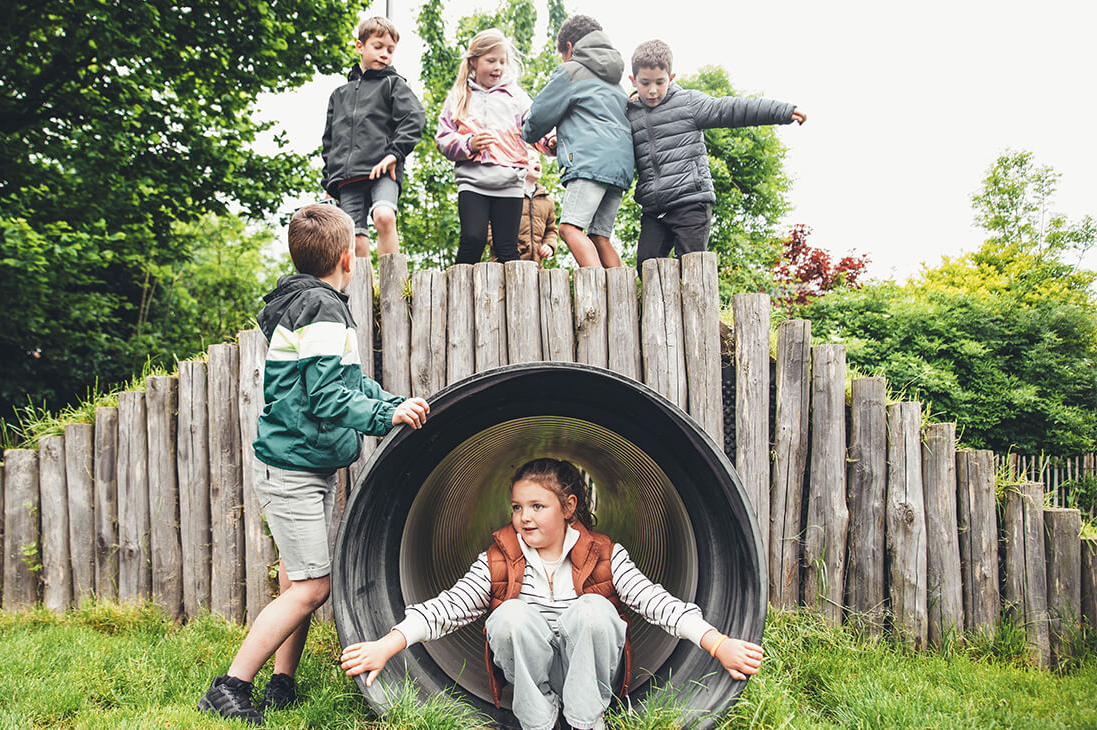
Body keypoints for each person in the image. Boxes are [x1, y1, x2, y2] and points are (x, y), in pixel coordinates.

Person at [198, 204, 430, 725]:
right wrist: (382, 414)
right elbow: (328, 398)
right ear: (349, 258)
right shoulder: (322, 310)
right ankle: (230, 686)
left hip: (305, 462)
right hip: (293, 468)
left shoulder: (309, 305)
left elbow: (346, 383)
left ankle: (283, 681)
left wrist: (391, 402)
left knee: (295, 577)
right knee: (313, 587)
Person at [340, 458, 763, 730]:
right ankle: (537, 724)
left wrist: (719, 643)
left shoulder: (603, 554)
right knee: (508, 616)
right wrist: (386, 646)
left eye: (537, 507)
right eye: (517, 507)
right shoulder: (500, 556)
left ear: (569, 506)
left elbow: (656, 601)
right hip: (531, 674)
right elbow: (446, 607)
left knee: (594, 609)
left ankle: (584, 722)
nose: (524, 518)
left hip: (588, 670)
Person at [627, 39, 806, 270]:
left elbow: (730, 109)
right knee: (646, 265)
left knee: (691, 268)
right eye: (645, 83)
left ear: (671, 79)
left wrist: (782, 112)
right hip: (654, 209)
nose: (652, 90)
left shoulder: (688, 103)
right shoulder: (631, 113)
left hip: (691, 203)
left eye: (660, 83)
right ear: (633, 81)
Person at [521, 15, 633, 269]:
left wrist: (529, 134)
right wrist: (559, 142)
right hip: (621, 165)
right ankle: (623, 297)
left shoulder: (570, 71)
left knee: (569, 228)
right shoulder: (615, 81)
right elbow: (596, 122)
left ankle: (597, 290)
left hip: (590, 163)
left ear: (569, 48)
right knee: (599, 236)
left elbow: (539, 116)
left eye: (562, 55)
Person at [321, 16, 425, 258]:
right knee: (354, 240)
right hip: (348, 177)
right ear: (360, 47)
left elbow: (414, 118)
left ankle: (393, 287)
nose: (385, 54)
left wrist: (394, 154)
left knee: (384, 216)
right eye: (378, 47)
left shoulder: (394, 84)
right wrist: (328, 182)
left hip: (383, 169)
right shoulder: (339, 95)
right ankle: (364, 294)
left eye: (390, 50)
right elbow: (329, 142)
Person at [435, 28, 534, 264]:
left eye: (502, 61)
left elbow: (534, 125)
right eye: (491, 61)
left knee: (507, 248)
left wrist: (550, 140)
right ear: (474, 62)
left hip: (509, 181)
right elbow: (443, 139)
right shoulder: (459, 96)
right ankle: (456, 299)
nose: (497, 67)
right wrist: (468, 143)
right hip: (473, 182)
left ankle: (518, 300)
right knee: (472, 238)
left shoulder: (516, 96)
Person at [489, 152, 558, 263]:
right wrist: (503, 246)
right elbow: (489, 225)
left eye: (539, 160)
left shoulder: (547, 200)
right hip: (504, 263)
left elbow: (551, 230)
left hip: (535, 266)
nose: (537, 161)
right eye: (531, 159)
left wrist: (549, 245)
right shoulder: (506, 193)